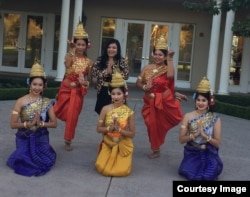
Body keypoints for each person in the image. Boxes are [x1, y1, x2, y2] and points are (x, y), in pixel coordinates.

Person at [136, 34, 187, 159]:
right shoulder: (146, 68)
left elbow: (170, 77)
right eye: (155, 54)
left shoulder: (166, 69)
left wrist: (170, 59)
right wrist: (144, 87)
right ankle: (155, 147)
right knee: (150, 125)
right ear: (152, 54)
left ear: (164, 56)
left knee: (159, 125)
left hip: (162, 101)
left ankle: (156, 150)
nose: (157, 57)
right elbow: (138, 82)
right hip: (149, 102)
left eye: (160, 55)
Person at [7, 61, 57, 177]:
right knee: (23, 161)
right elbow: (12, 124)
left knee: (46, 160)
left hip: (41, 137)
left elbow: (54, 123)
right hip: (24, 137)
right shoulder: (20, 101)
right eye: (34, 84)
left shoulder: (47, 102)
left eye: (40, 85)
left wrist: (41, 123)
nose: (37, 87)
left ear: (44, 85)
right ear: (29, 84)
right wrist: (28, 124)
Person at [54, 21, 93, 151]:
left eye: (83, 44)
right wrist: (71, 50)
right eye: (78, 44)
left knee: (73, 116)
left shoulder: (89, 62)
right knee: (59, 111)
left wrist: (84, 83)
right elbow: (67, 65)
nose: (80, 47)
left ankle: (68, 140)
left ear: (87, 46)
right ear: (74, 44)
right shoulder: (69, 56)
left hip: (78, 91)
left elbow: (90, 81)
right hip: (66, 87)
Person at [178, 76, 223, 180]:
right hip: (192, 152)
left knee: (208, 176)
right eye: (198, 100)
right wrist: (195, 134)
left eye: (204, 100)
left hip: (208, 153)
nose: (200, 103)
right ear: (195, 101)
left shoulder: (215, 118)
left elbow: (217, 143)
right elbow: (181, 140)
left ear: (209, 102)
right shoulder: (188, 116)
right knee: (192, 175)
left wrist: (204, 135)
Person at [95, 71, 135, 176]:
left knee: (121, 171)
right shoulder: (105, 109)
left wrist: (120, 130)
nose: (116, 97)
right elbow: (98, 129)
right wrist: (109, 128)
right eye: (113, 94)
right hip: (108, 142)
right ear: (109, 94)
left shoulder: (129, 111)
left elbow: (132, 134)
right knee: (101, 167)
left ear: (124, 94)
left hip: (122, 144)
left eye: (119, 94)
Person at [91, 38, 129, 115]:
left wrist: (114, 73)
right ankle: (104, 127)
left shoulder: (121, 61)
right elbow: (94, 73)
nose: (111, 49)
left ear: (118, 49)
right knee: (103, 113)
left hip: (117, 91)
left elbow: (126, 75)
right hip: (103, 90)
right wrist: (106, 72)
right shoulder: (100, 59)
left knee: (116, 114)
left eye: (114, 48)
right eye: (109, 47)